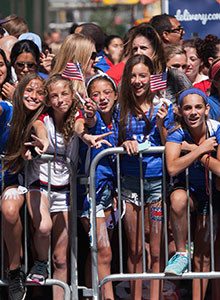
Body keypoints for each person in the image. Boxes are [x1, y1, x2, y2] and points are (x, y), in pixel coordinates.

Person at [25, 74, 110, 300]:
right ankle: (40, 264)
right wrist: (42, 142)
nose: (60, 99)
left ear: (73, 96)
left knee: (61, 259)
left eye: (64, 94)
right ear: (48, 100)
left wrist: (88, 137)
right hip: (39, 185)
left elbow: (82, 127)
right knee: (43, 228)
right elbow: (40, 130)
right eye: (54, 95)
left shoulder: (77, 117)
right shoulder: (42, 118)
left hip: (64, 190)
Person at [118, 54, 173, 300]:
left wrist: (162, 123)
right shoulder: (120, 107)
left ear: (152, 77)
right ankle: (136, 297)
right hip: (129, 184)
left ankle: (156, 297)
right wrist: (124, 141)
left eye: (143, 75)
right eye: (134, 75)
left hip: (156, 183)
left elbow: (168, 142)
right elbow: (112, 139)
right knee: (135, 248)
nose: (138, 81)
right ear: (127, 78)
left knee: (156, 249)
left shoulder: (163, 106)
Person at [164, 88, 220, 300]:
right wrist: (200, 149)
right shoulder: (176, 132)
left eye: (198, 107)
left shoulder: (217, 129)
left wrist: (194, 153)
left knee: (204, 256)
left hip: (211, 194)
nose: (193, 112)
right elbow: (172, 167)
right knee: (177, 199)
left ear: (206, 109)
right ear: (180, 111)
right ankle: (180, 253)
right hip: (187, 191)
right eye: (188, 108)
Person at [2, 73, 47, 300]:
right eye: (29, 90)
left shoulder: (40, 117)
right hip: (9, 178)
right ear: (19, 91)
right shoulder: (8, 110)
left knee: (11, 210)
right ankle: (14, 270)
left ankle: (23, 271)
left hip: (28, 182)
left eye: (40, 92)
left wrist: (43, 143)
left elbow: (41, 130)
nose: (34, 96)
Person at [78, 73, 118, 300]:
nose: (102, 98)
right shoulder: (89, 119)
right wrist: (89, 115)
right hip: (90, 194)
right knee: (103, 250)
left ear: (115, 95)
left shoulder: (120, 118)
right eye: (95, 94)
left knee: (98, 253)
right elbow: (86, 122)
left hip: (109, 194)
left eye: (106, 93)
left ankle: (92, 296)